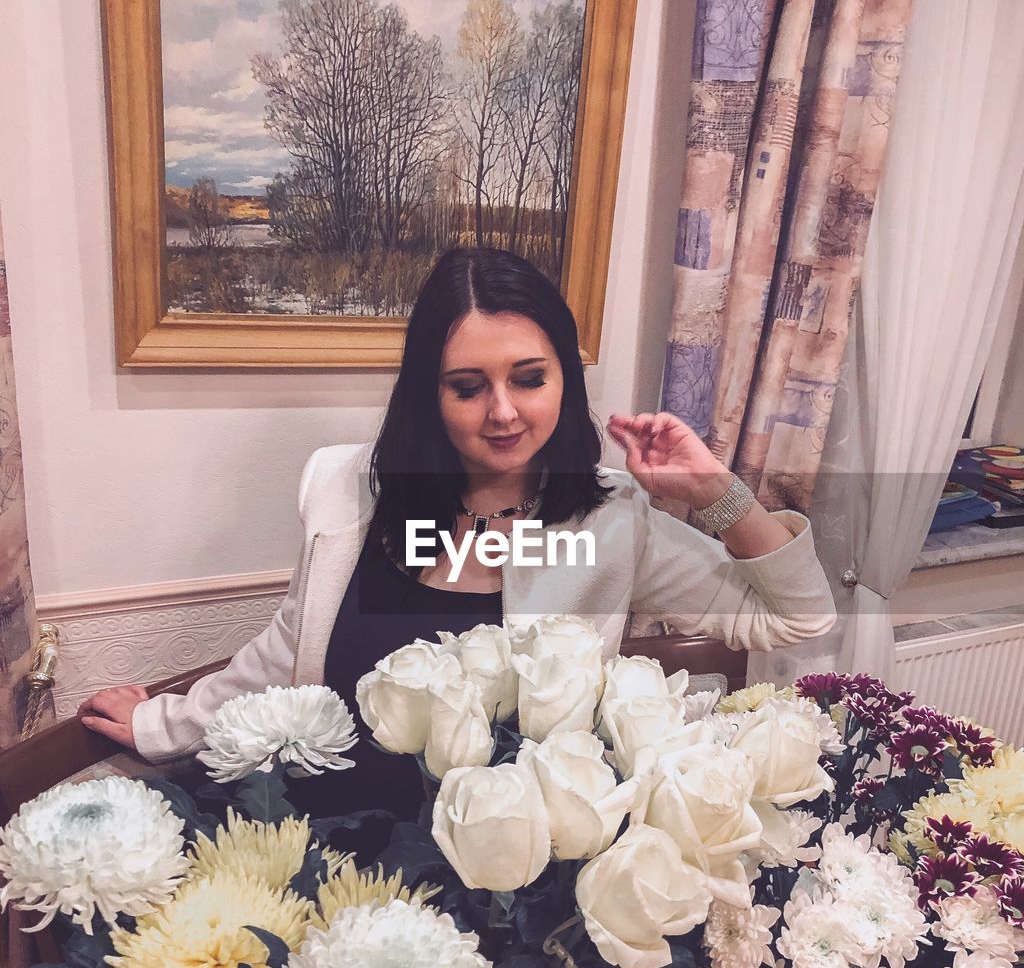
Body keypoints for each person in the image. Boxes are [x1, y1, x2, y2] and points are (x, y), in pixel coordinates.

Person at [78, 246, 837, 855]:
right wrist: (164, 724)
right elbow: (289, 654)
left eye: (529, 379)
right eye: (468, 386)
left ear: (564, 382)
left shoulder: (606, 521)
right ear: (428, 394)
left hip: (502, 889)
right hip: (325, 851)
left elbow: (797, 619)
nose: (503, 411)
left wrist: (716, 492)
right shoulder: (350, 492)